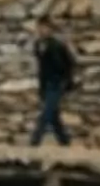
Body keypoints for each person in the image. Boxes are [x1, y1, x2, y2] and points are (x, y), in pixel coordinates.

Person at [30, 17, 76, 146]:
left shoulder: (57, 45)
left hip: (57, 83)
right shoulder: (38, 45)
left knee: (46, 112)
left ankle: (35, 141)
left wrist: (66, 80)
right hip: (45, 83)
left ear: (50, 30)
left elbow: (69, 63)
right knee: (53, 114)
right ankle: (64, 140)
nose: (42, 31)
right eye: (40, 28)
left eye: (45, 28)